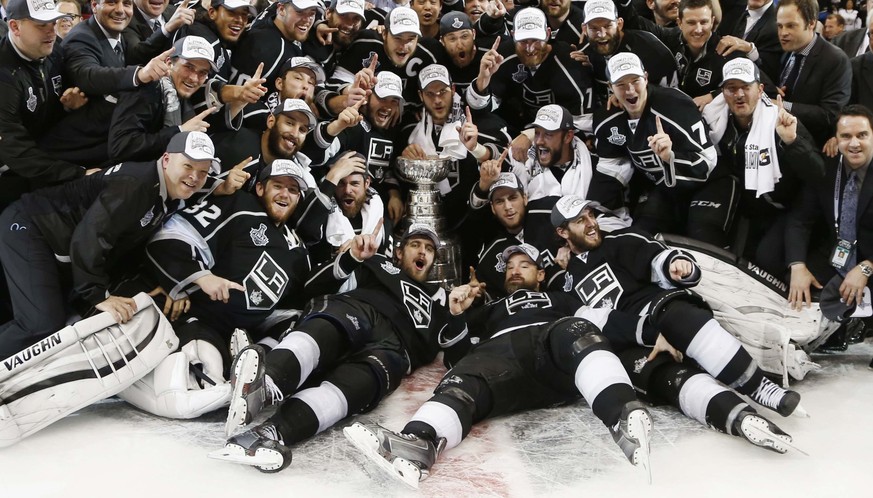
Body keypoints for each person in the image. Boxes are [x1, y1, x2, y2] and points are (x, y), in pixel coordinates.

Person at [343, 243, 654, 488]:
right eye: (510, 267)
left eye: (525, 265)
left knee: (577, 331)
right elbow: (456, 355)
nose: (515, 270)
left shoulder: (561, 300)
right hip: (499, 361)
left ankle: (621, 415)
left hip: (551, 350)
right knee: (462, 381)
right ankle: (418, 444)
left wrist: (659, 331)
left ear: (541, 275)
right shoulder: (489, 309)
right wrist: (456, 316)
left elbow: (608, 322)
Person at [209, 224, 459, 473]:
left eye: (429, 249)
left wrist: (460, 313)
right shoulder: (377, 263)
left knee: (349, 390)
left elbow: (455, 354)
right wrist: (350, 258)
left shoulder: (440, 303)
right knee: (326, 329)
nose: (422, 252)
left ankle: (271, 433)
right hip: (359, 310)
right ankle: (265, 385)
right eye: (415, 245)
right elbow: (312, 286)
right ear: (399, 252)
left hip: (394, 349)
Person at [550, 195, 803, 418]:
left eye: (591, 215)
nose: (592, 223)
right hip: (630, 338)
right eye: (580, 220)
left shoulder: (619, 240)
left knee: (675, 315)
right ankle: (728, 412)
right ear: (563, 232)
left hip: (657, 313)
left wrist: (676, 264)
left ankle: (761, 389)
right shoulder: (569, 279)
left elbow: (654, 255)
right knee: (647, 371)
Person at [0, 131, 218, 361]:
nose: (195, 176)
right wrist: (98, 295)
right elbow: (90, 236)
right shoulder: (136, 185)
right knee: (41, 324)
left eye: (202, 172)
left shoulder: (166, 195)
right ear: (166, 160)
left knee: (44, 320)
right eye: (188, 166)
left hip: (50, 239)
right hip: (30, 226)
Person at [123, 159, 313, 419]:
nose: (284, 194)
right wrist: (197, 278)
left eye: (293, 190)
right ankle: (218, 378)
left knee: (300, 319)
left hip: (246, 331)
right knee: (200, 375)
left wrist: (348, 259)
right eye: (277, 185)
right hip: (203, 319)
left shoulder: (298, 248)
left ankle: (254, 368)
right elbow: (168, 238)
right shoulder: (239, 207)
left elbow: (304, 292)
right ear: (259, 188)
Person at [589, 52, 733, 247]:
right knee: (639, 240)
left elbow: (707, 160)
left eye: (635, 81)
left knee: (703, 236)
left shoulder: (675, 105)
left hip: (710, 183)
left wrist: (670, 157)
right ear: (610, 87)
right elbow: (611, 168)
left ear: (646, 78)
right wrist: (595, 212)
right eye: (621, 85)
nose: (630, 90)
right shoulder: (608, 119)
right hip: (665, 189)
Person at [701, 57, 824, 274]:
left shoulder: (782, 121)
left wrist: (792, 142)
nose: (739, 95)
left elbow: (818, 175)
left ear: (759, 90)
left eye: (745, 87)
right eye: (731, 88)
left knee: (766, 261)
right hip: (751, 208)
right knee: (727, 257)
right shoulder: (716, 122)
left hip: (790, 207)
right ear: (723, 93)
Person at [0, 0, 90, 209]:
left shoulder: (54, 50)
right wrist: (77, 173)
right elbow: (15, 150)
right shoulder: (4, 77)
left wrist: (68, 105)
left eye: (53, 22)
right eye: (41, 25)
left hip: (46, 150)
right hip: (11, 169)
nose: (51, 31)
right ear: (15, 27)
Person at [786, 105, 873, 314]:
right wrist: (797, 266)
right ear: (835, 139)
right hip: (838, 251)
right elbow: (800, 219)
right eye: (845, 136)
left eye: (862, 135)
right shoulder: (828, 166)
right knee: (789, 280)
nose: (854, 143)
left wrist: (866, 267)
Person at [466, 7, 596, 133]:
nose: (530, 48)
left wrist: (533, 134)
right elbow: (479, 109)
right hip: (518, 125)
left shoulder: (570, 64)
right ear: (513, 36)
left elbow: (584, 123)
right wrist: (482, 81)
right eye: (523, 41)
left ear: (548, 34)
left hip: (559, 133)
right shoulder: (502, 57)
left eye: (536, 40)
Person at [774, 0, 851, 147]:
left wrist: (784, 106)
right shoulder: (788, 51)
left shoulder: (835, 59)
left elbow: (831, 115)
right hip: (782, 144)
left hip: (814, 148)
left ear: (811, 23)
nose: (783, 33)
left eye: (791, 25)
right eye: (780, 26)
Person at [580, 0, 678, 101]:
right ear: (584, 29)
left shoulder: (650, 49)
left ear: (619, 24)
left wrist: (627, 98)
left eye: (607, 26)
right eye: (593, 28)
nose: (602, 34)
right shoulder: (586, 52)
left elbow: (672, 96)